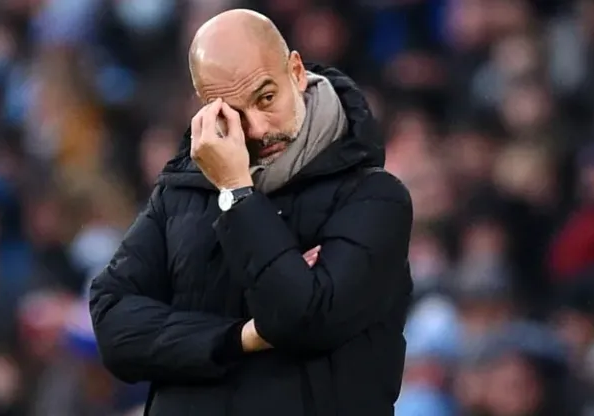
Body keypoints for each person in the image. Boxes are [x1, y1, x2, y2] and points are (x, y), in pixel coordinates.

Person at [89, 8, 413, 416]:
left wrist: (237, 192)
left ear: (296, 71)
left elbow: (302, 319)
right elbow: (113, 323)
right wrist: (240, 337)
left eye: (266, 98)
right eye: (234, 112)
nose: (257, 128)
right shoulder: (180, 192)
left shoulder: (374, 197)